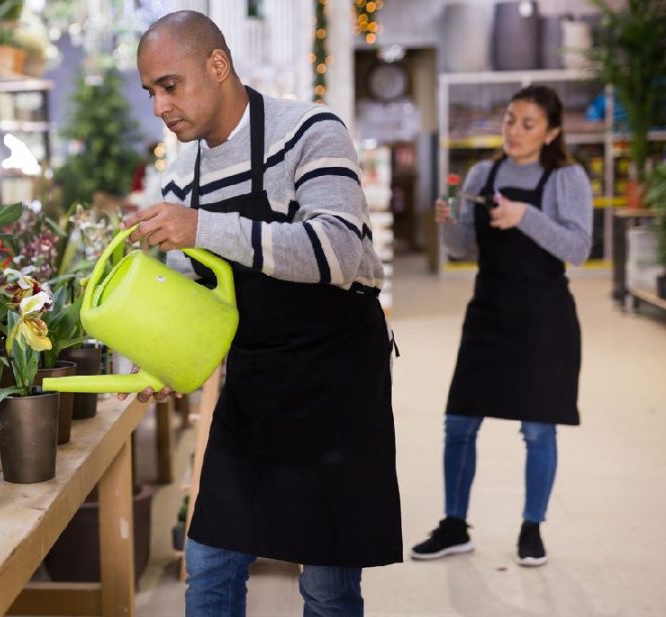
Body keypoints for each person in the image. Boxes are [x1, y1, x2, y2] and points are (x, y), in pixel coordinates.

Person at [120, 10, 402, 617]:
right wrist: (162, 354)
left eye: (170, 85)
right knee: (209, 563)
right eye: (150, 92)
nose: (160, 107)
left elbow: (335, 250)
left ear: (217, 66)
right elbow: (193, 299)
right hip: (254, 381)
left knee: (326, 584)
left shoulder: (311, 132)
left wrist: (204, 228)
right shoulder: (181, 181)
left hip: (334, 378)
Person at [411, 85, 593, 567]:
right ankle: (454, 526)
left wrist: (525, 216)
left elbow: (578, 248)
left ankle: (532, 529)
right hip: (488, 313)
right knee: (459, 423)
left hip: (544, 318)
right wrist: (447, 223)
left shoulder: (566, 177)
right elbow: (460, 247)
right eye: (510, 119)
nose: (514, 131)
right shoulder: (482, 172)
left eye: (528, 124)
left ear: (552, 131)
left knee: (538, 429)